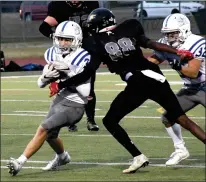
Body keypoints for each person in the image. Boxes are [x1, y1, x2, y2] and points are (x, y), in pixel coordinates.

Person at [49, 8, 206, 174]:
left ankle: (138, 156)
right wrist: (177, 51)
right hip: (157, 78)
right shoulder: (130, 26)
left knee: (110, 121)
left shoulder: (94, 42)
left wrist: (60, 85)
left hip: (138, 82)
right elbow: (150, 43)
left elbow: (87, 72)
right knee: (182, 119)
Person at [7, 21, 92, 176]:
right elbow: (40, 84)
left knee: (44, 128)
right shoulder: (52, 53)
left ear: (77, 39)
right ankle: (62, 157)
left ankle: (19, 162)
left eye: (67, 39)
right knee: (51, 135)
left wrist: (69, 72)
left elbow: (85, 92)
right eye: (60, 38)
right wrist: (45, 77)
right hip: (59, 99)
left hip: (75, 104)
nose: (63, 42)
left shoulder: (82, 57)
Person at [148, 13, 206, 166]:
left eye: (174, 33)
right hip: (190, 89)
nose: (170, 37)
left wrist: (177, 65)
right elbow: (152, 61)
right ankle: (180, 149)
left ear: (184, 30)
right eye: (167, 34)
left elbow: (193, 72)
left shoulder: (196, 42)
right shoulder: (166, 43)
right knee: (167, 116)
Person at [39, 1, 99, 132]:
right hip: (67, 51)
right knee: (65, 82)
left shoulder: (92, 4)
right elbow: (43, 27)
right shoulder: (58, 6)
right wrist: (56, 37)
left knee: (88, 85)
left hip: (86, 48)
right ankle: (68, 120)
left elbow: (97, 25)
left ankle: (90, 119)